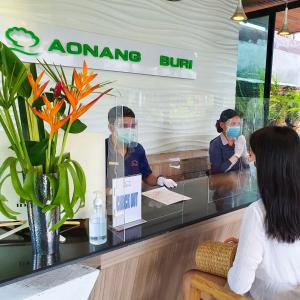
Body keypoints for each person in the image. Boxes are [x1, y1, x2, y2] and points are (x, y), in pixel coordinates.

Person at [227, 126, 300, 299]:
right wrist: (250, 245)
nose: (250, 162)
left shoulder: (258, 212)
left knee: (190, 276)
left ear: (266, 165)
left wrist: (234, 262)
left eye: (253, 157)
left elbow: (239, 284)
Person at [106, 106, 177, 191]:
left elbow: (146, 176)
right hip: (110, 201)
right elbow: (93, 185)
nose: (129, 130)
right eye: (124, 126)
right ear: (111, 128)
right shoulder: (101, 150)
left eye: (132, 126)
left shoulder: (137, 149)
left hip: (135, 199)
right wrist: (113, 191)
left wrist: (159, 180)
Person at [209, 109, 249, 174]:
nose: (236, 127)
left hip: (240, 180)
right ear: (222, 125)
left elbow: (246, 165)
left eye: (238, 124)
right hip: (224, 182)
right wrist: (236, 156)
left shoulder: (238, 140)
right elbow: (217, 172)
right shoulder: (215, 144)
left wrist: (245, 153)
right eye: (233, 124)